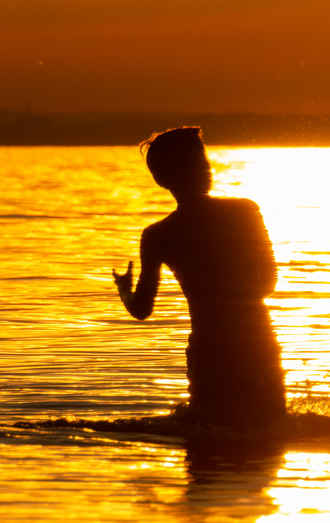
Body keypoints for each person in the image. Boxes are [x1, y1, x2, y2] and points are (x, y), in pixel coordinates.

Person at [113, 127, 286, 428]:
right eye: (202, 164)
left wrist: (124, 290)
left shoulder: (158, 235)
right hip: (258, 340)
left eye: (204, 162)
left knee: (211, 435)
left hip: (210, 347)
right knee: (271, 430)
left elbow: (141, 309)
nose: (208, 169)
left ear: (160, 179)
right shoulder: (245, 211)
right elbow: (268, 285)